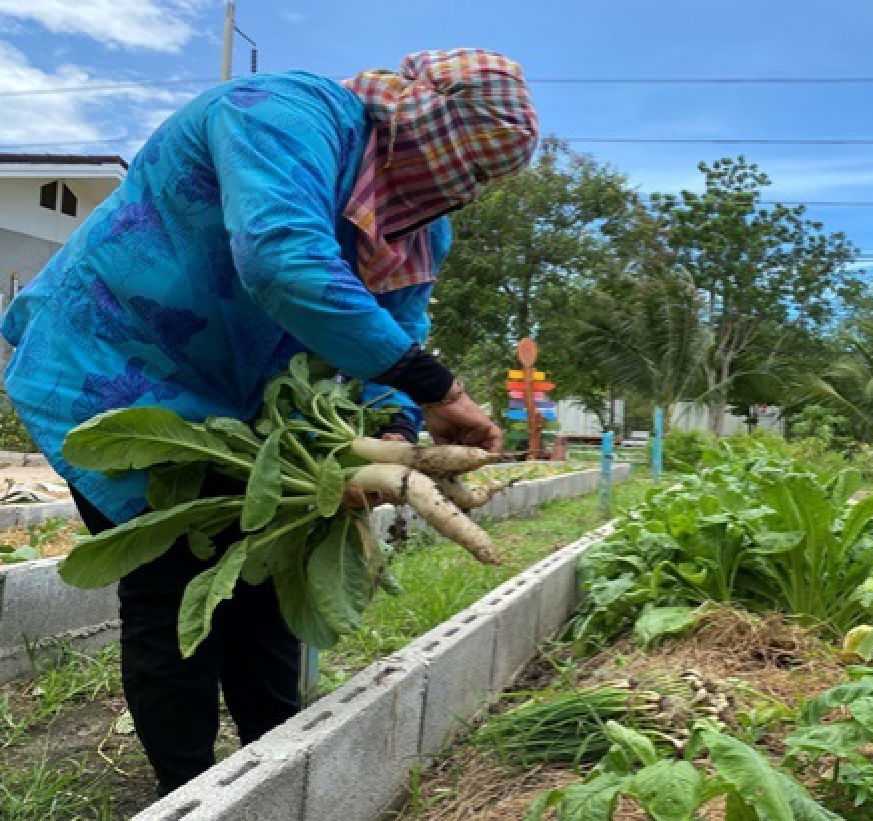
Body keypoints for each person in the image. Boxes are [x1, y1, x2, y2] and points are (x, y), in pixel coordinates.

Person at [0, 48, 538, 795]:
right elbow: (283, 259)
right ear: (429, 129)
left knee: (263, 593)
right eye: (469, 171)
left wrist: (396, 434)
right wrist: (437, 387)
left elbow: (397, 333)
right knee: (172, 585)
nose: (465, 193)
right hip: (110, 372)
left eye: (483, 182)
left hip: (236, 411)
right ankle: (188, 793)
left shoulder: (417, 228)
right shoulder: (280, 113)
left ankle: (277, 778)